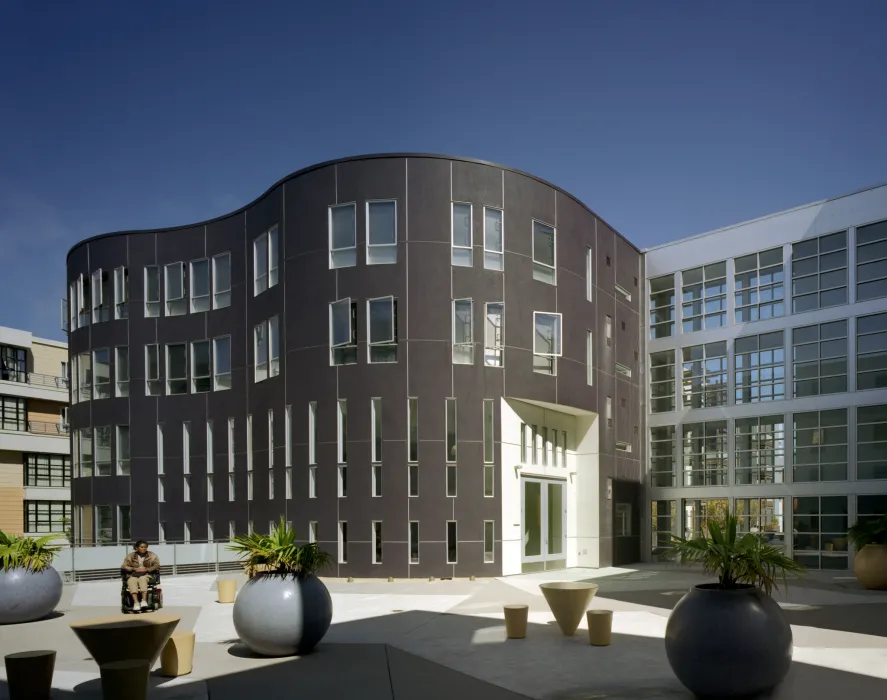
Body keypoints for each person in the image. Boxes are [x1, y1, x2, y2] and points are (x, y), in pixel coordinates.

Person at [121, 540, 160, 611]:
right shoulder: (131, 556)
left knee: (142, 578)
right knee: (131, 580)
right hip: (134, 574)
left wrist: (147, 569)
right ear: (137, 548)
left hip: (147, 574)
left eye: (145, 547)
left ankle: (144, 601)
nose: (144, 548)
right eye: (142, 547)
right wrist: (134, 569)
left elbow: (157, 565)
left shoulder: (152, 555)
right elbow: (124, 566)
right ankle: (136, 602)